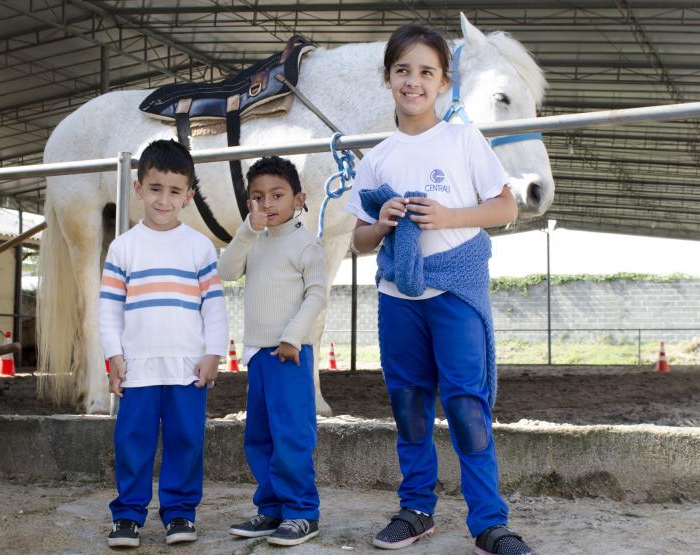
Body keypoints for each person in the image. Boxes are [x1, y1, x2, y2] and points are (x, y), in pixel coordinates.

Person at [343, 22, 534, 555]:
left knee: (468, 407)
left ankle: (490, 522)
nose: (413, 81)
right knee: (408, 406)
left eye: (426, 71)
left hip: (455, 292)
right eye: (403, 70)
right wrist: (379, 222)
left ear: (444, 81)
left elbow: (505, 206)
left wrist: (450, 214)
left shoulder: (463, 138)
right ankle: (416, 509)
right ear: (388, 78)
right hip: (398, 298)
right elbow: (357, 241)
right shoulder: (375, 158)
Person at [98, 139, 228, 548]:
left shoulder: (199, 247)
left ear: (189, 196)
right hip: (137, 369)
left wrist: (213, 354)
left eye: (174, 191)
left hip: (187, 370)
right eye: (155, 188)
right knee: (131, 443)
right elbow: (109, 310)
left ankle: (179, 514)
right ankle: (127, 516)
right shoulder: (123, 248)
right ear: (138, 188)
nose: (163, 199)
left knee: (186, 441)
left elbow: (215, 308)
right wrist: (113, 357)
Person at [220, 156, 326, 547]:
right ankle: (271, 508)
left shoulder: (306, 243)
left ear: (299, 199)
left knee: (292, 435)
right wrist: (247, 231)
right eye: (258, 197)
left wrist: (293, 336)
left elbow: (317, 295)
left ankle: (302, 512)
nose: (267, 203)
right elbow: (226, 271)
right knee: (259, 436)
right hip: (259, 355)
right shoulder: (256, 240)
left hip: (291, 354)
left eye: (277, 195)